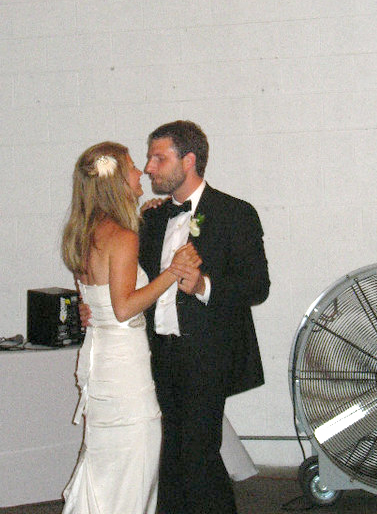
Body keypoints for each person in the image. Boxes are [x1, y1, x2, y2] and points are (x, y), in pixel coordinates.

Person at [61, 141, 201, 514]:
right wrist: (173, 271)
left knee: (108, 465)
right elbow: (123, 308)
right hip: (124, 369)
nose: (141, 172)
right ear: (117, 180)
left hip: (101, 361)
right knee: (133, 468)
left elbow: (96, 301)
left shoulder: (84, 232)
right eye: (133, 167)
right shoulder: (122, 236)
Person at [140, 120, 270, 514]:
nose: (148, 167)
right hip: (160, 354)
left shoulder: (235, 213)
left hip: (208, 356)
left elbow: (257, 287)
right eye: (149, 158)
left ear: (189, 160)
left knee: (197, 454)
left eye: (159, 158)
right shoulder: (153, 218)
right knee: (173, 454)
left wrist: (203, 286)